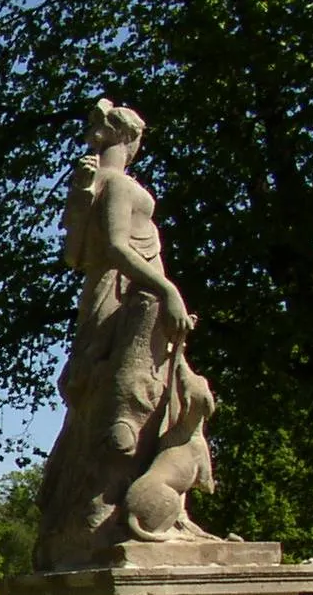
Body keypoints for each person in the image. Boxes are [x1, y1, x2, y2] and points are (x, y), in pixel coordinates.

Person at [36, 100, 212, 570]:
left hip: (105, 295)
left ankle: (101, 507)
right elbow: (114, 246)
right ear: (129, 139)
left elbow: (74, 255)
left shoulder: (94, 186)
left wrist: (79, 194)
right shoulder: (120, 185)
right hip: (128, 295)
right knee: (132, 391)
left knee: (105, 392)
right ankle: (110, 505)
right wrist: (166, 289)